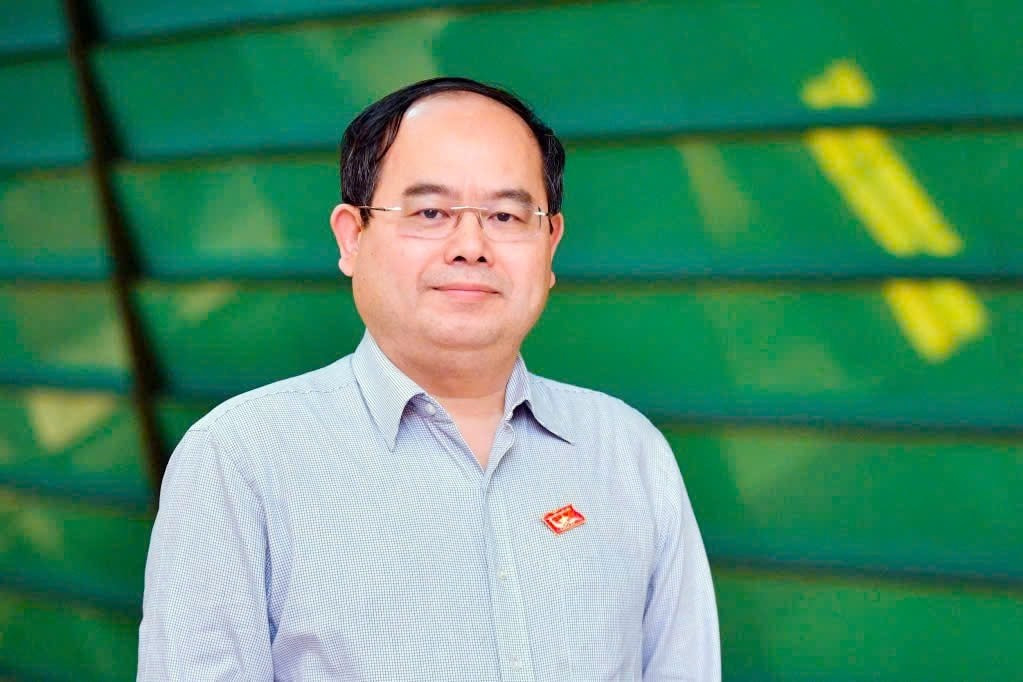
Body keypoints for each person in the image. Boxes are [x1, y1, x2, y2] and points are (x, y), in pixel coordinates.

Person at [138, 77, 720, 681]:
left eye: (505, 215)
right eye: (430, 213)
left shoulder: (626, 452)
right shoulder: (241, 459)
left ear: (550, 243)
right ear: (352, 237)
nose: (470, 246)